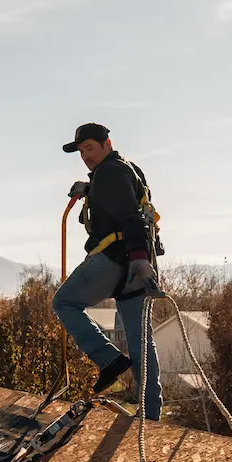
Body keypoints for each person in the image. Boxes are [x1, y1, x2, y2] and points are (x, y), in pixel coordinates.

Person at [51, 122, 162, 419]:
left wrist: (137, 256)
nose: (85, 156)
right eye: (81, 151)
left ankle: (109, 359)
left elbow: (129, 216)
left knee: (64, 302)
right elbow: (129, 204)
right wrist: (90, 188)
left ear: (107, 144)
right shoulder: (128, 169)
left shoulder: (109, 173)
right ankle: (151, 415)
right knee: (141, 341)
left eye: (90, 148)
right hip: (137, 266)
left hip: (114, 258)